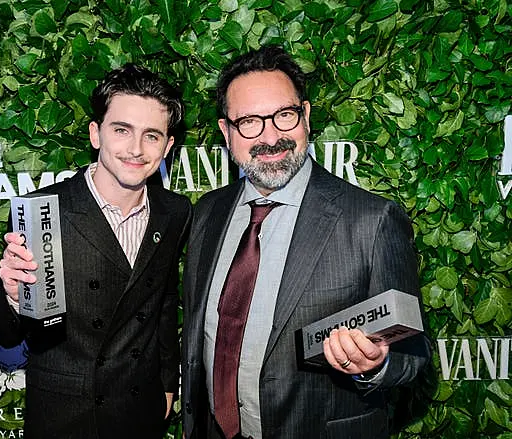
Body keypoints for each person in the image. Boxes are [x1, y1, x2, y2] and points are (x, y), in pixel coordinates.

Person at [182, 46, 431, 439]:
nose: (271, 136)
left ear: (307, 116)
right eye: (249, 121)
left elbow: (414, 353)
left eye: (284, 114)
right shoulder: (207, 213)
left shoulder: (372, 220)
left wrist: (377, 363)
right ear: (226, 132)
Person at [0, 64, 192, 439]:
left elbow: (162, 304)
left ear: (167, 146)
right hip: (65, 415)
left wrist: (167, 384)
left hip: (140, 411)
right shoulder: (42, 212)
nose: (135, 149)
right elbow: (5, 335)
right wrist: (13, 298)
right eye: (121, 130)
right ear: (95, 134)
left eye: (151, 136)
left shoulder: (174, 211)